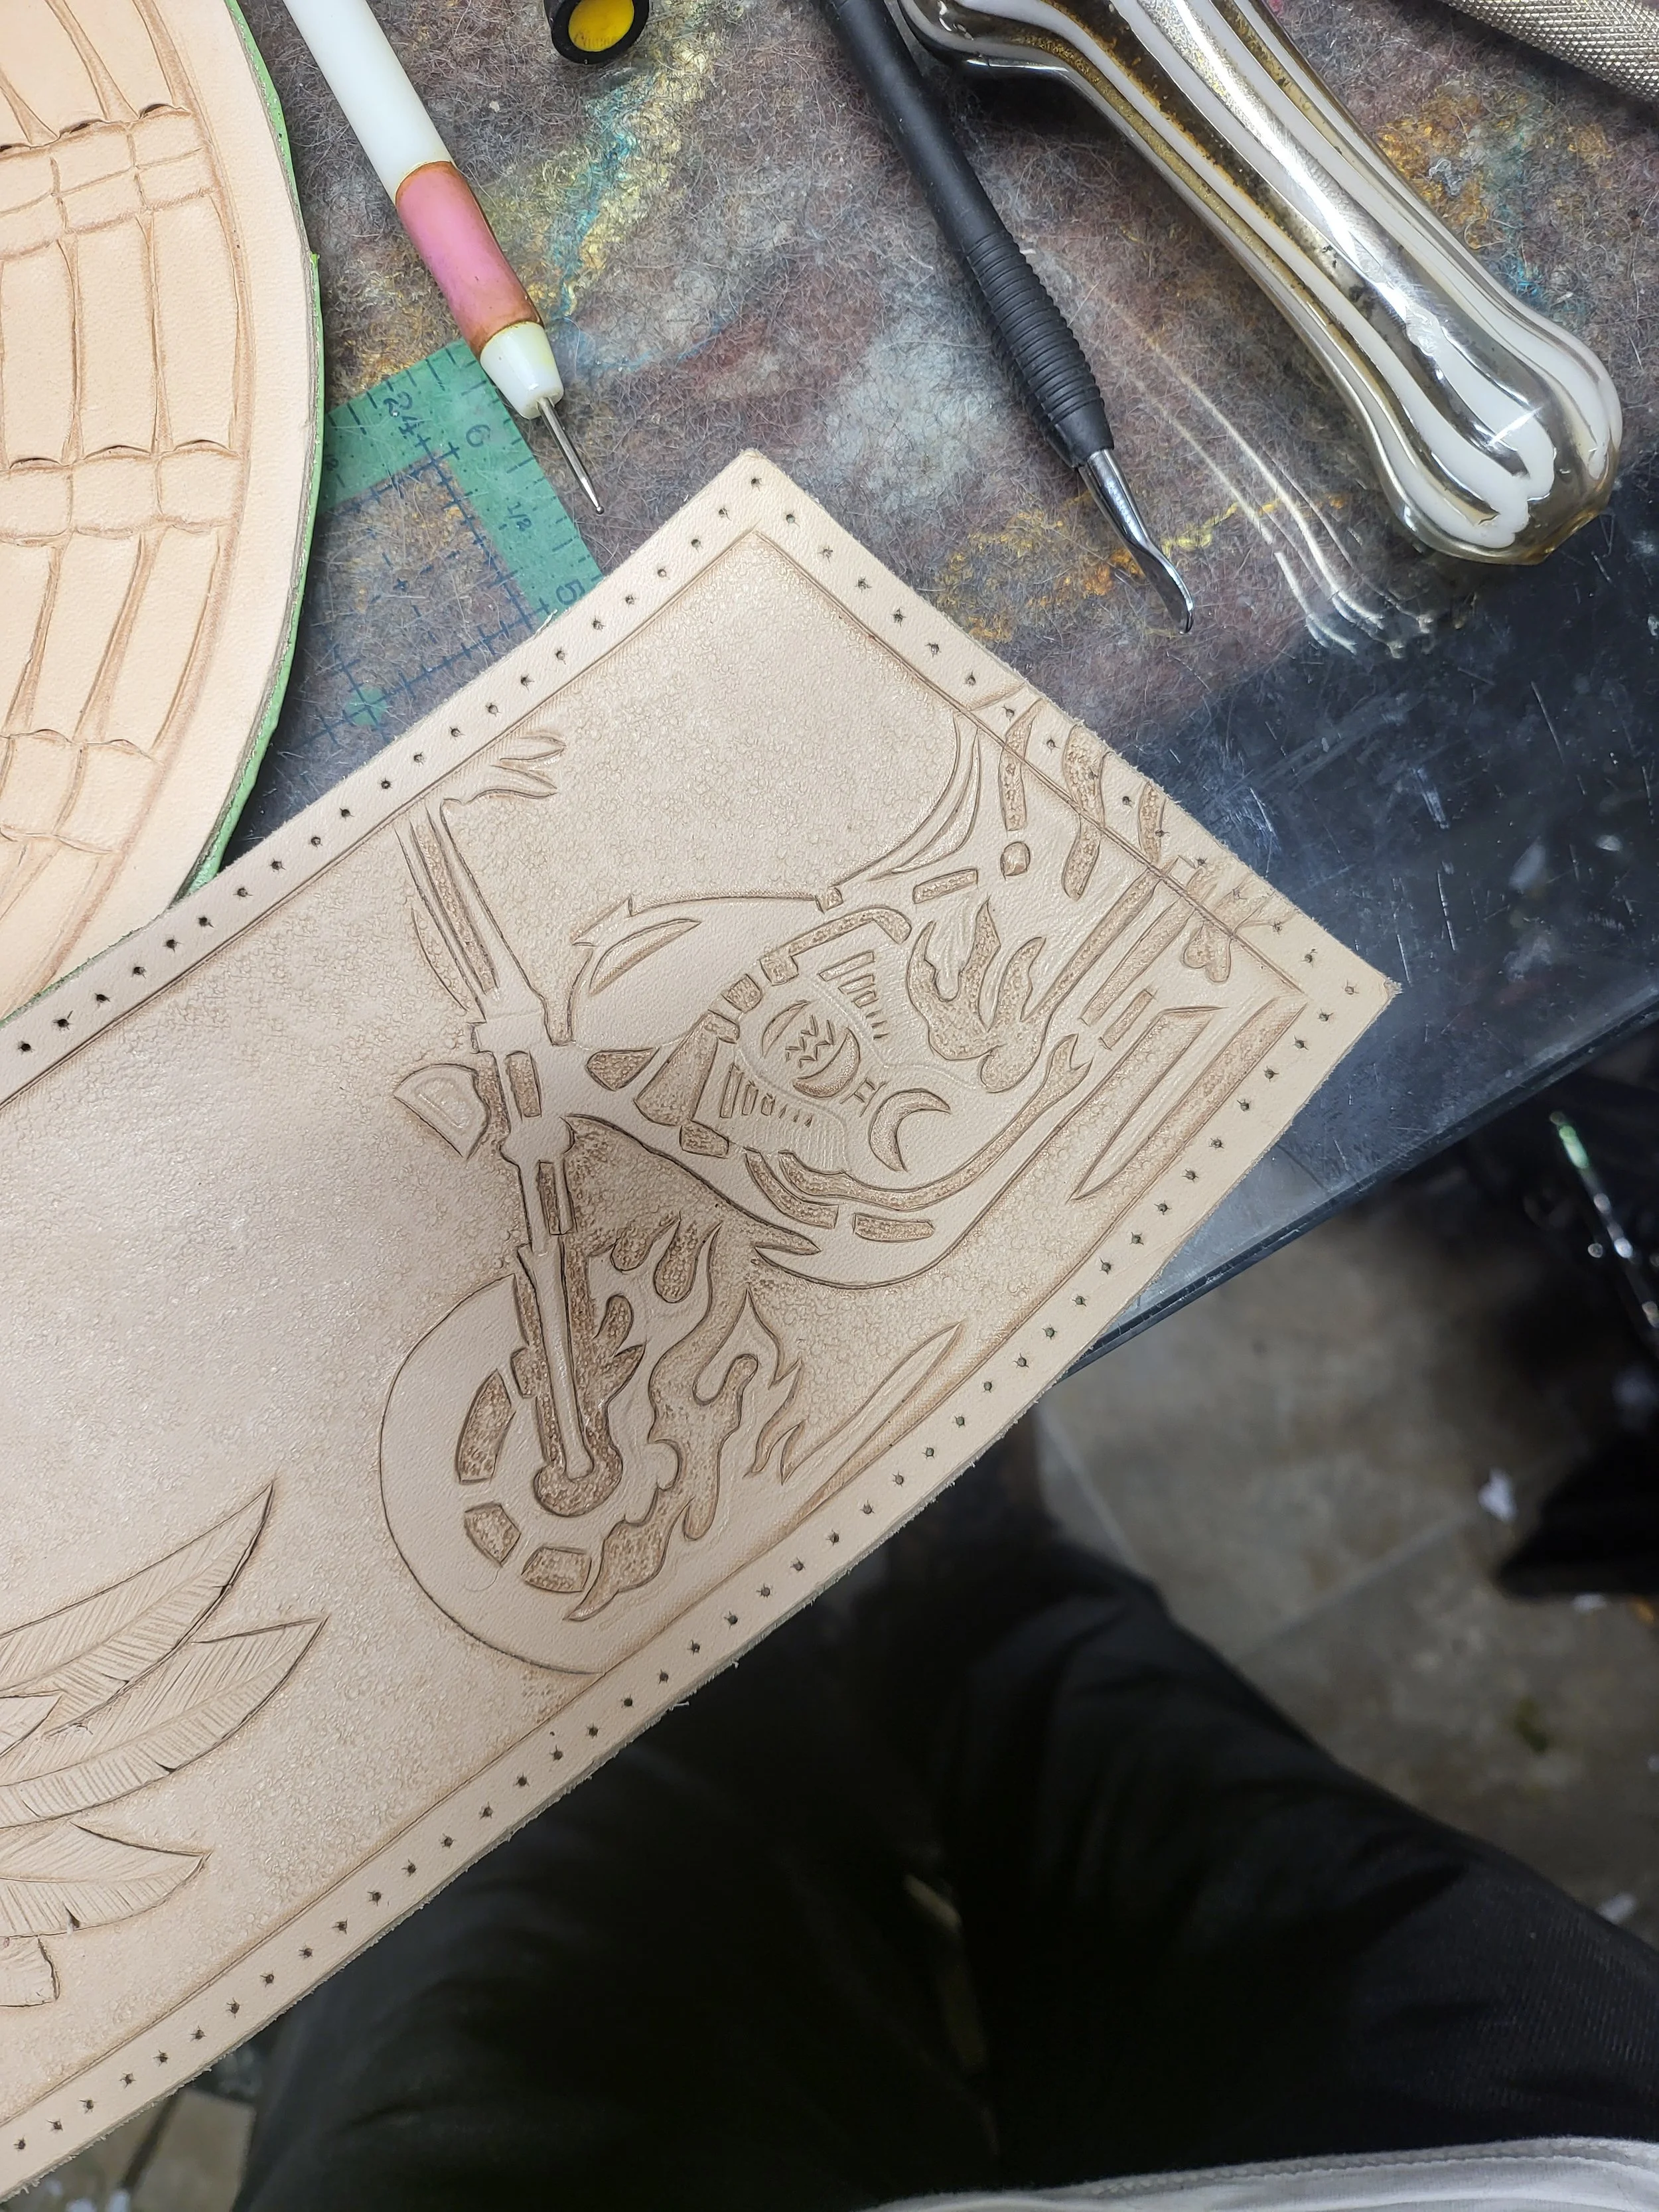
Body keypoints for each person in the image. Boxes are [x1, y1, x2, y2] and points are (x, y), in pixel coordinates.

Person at [234, 1423, 1659, 2212]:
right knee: (1157, 1765)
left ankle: (686, 1663)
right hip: (1530, 2174)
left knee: (517, 1887)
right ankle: (962, 1584)